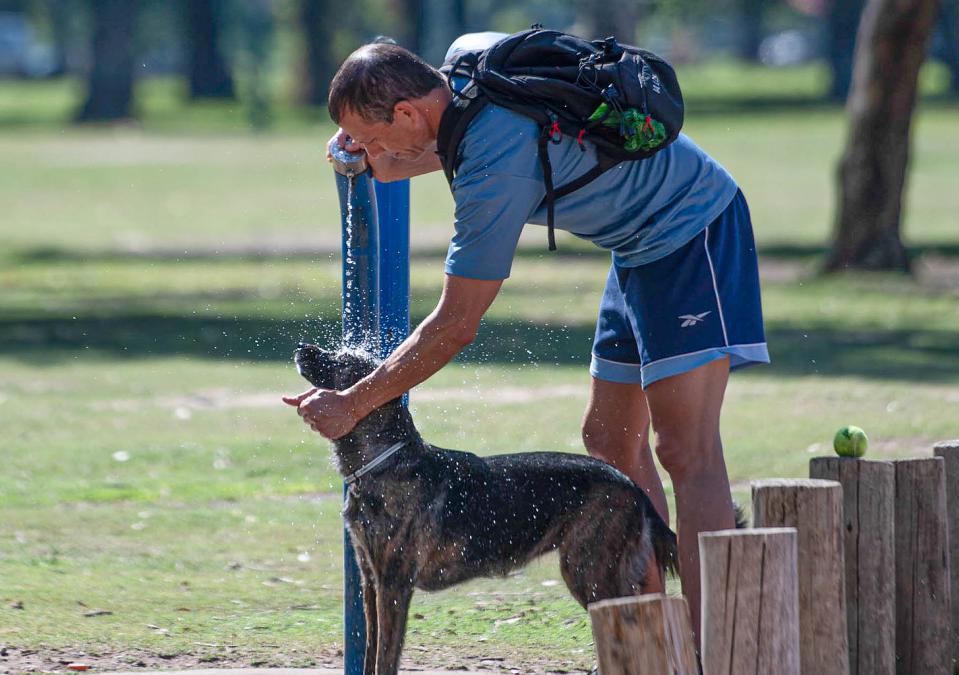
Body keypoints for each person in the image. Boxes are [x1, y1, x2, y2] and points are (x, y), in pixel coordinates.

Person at [283, 34, 769, 638]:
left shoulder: (493, 169)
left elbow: (455, 325)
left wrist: (355, 403)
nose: (368, 150)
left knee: (685, 451)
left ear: (409, 112)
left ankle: (715, 642)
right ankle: (649, 640)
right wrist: (377, 154)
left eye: (374, 137)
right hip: (637, 247)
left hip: (692, 229)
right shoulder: (463, 69)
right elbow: (424, 154)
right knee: (610, 438)